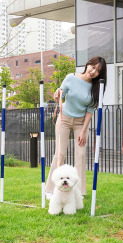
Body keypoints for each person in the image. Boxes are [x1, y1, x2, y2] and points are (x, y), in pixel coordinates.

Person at [45, 56, 107, 198]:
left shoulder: (96, 88)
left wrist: (84, 131)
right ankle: (50, 190)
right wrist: (58, 92)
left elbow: (90, 111)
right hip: (64, 119)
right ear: (88, 64)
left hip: (81, 123)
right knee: (60, 154)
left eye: (98, 71)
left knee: (80, 155)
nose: (93, 72)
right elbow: (61, 93)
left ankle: (79, 192)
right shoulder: (71, 78)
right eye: (93, 67)